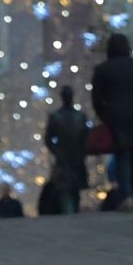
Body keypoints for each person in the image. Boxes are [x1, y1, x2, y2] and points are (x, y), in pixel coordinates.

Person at [92, 32, 133, 210]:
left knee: (122, 155)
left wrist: (104, 114)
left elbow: (97, 98)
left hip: (116, 116)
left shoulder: (103, 69)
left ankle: (127, 196)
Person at [45, 83, 89, 214]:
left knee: (74, 191)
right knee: (65, 191)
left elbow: (85, 137)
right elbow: (48, 139)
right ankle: (69, 214)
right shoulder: (56, 117)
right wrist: (57, 152)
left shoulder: (80, 116)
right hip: (64, 159)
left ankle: (72, 213)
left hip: (76, 159)